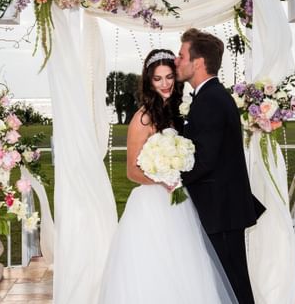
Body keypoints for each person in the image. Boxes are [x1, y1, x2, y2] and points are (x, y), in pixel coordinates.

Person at [98, 49, 237, 304]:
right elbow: (132, 170)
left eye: (169, 77)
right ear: (149, 82)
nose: (165, 84)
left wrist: (179, 168)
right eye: (158, 79)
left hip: (179, 201)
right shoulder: (142, 118)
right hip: (151, 203)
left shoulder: (177, 112)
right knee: (153, 267)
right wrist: (162, 179)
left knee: (186, 265)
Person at [175, 28, 266, 304]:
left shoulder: (211, 100)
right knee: (227, 282)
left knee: (234, 284)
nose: (177, 61)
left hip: (221, 209)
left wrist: (170, 176)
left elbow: (205, 160)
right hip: (222, 207)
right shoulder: (208, 97)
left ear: (198, 62)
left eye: (181, 56)